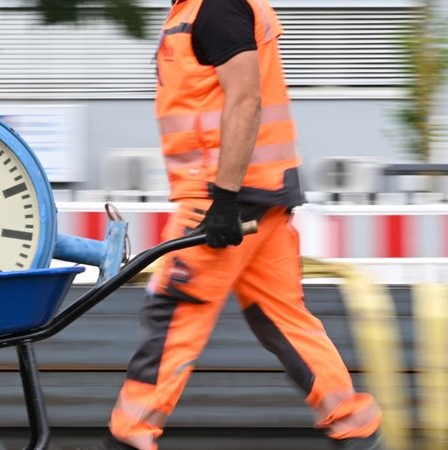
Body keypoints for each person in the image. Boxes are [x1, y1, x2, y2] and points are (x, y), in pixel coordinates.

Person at [101, 1, 385, 449]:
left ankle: (129, 435)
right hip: (262, 192)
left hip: (222, 196)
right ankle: (355, 426)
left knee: (175, 310)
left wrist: (225, 198)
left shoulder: (214, 7)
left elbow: (247, 98)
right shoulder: (198, 8)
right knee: (281, 318)